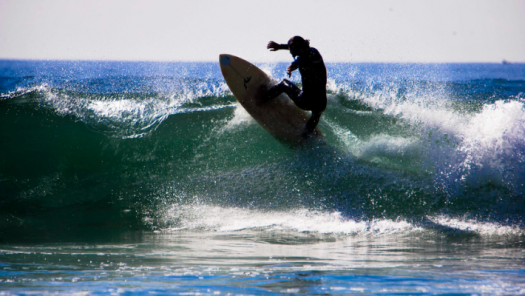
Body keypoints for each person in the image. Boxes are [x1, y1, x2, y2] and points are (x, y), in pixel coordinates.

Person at [261, 36, 327, 138]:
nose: (290, 51)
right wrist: (280, 46)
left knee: (284, 84)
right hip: (321, 103)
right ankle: (306, 136)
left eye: (290, 49)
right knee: (316, 114)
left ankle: (262, 98)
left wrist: (291, 68)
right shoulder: (314, 52)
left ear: (296, 48)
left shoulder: (302, 58)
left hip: (305, 101)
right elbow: (301, 54)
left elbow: (299, 61)